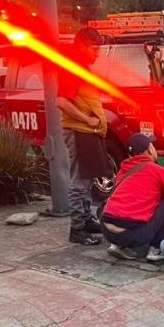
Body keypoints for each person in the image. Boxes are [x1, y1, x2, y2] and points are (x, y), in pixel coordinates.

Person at [57, 27, 107, 246]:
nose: (97, 54)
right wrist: (86, 120)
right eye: (94, 49)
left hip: (87, 132)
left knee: (86, 178)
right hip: (78, 131)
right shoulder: (72, 69)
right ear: (81, 46)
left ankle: (86, 219)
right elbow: (61, 101)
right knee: (79, 181)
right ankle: (77, 228)